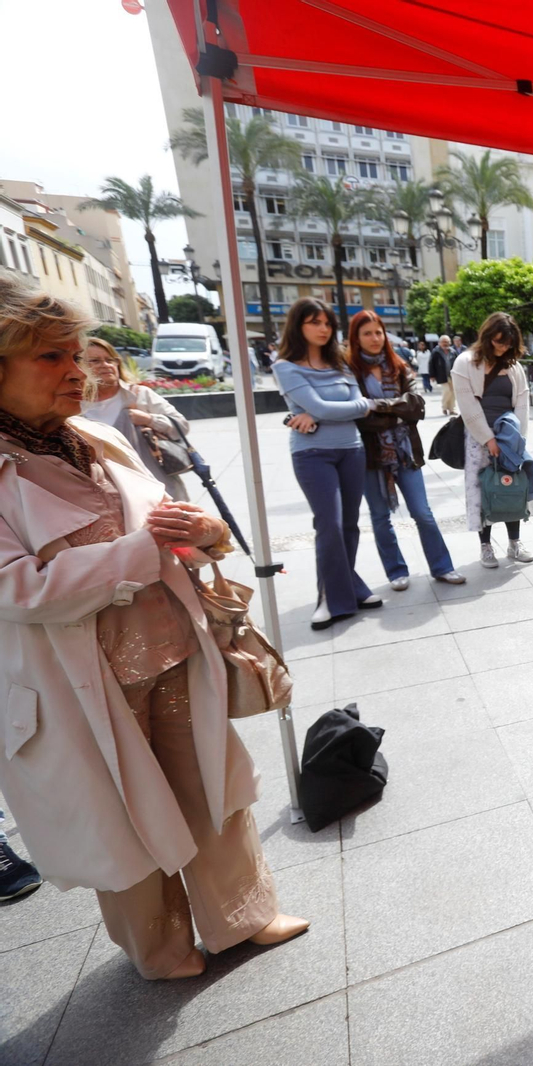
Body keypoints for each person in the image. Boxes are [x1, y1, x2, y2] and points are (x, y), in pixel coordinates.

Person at [0, 274, 306, 978]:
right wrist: (142, 551)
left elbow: (161, 523)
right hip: (77, 687)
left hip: (174, 653)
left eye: (76, 352)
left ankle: (244, 915)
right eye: (51, 356)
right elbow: (18, 587)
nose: (77, 370)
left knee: (214, 789)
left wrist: (205, 534)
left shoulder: (95, 437)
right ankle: (159, 949)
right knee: (122, 818)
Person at [271, 297, 384, 630]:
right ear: (298, 326)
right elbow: (335, 407)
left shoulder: (341, 364)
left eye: (327, 324)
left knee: (349, 525)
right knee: (329, 525)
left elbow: (346, 406)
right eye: (314, 323)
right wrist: (324, 411)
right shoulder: (285, 367)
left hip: (352, 450)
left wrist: (321, 412)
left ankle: (348, 588)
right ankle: (328, 597)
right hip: (312, 454)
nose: (323, 329)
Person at [348, 310, 465, 591]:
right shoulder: (350, 373)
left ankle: (442, 566)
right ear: (356, 338)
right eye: (367, 333)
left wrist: (378, 406)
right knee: (380, 517)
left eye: (378, 332)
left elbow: (414, 405)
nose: (375, 338)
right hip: (371, 456)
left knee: (422, 512)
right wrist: (395, 411)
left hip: (405, 452)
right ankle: (396, 571)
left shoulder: (398, 366)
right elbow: (359, 417)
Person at [453, 312, 533, 568]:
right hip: (478, 439)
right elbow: (467, 404)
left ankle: (514, 543)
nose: (503, 347)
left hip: (508, 437)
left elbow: (522, 403)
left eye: (508, 343)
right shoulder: (465, 362)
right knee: (483, 490)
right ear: (487, 336)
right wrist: (488, 439)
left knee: (511, 487)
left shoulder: (514, 366)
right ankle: (485, 546)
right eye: (499, 341)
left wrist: (516, 440)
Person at [78, 337, 193, 501]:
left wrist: (149, 419)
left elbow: (181, 425)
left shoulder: (139, 394)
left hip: (157, 488)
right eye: (95, 361)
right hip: (108, 496)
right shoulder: (74, 406)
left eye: (110, 360)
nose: (105, 365)